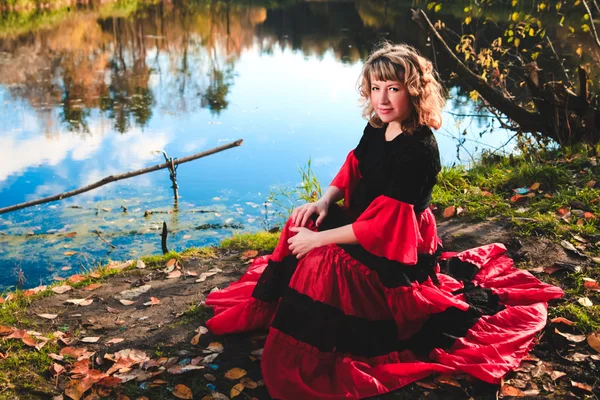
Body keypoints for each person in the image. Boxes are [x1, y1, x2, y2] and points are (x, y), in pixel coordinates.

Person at [205, 42, 563, 399]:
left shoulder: (420, 149)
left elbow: (385, 228)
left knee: (324, 260)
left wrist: (321, 241)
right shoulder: (377, 126)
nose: (383, 99)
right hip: (365, 221)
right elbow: (353, 168)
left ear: (415, 92)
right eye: (376, 88)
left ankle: (312, 342)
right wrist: (323, 200)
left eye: (393, 89)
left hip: (397, 245)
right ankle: (271, 308)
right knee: (300, 223)